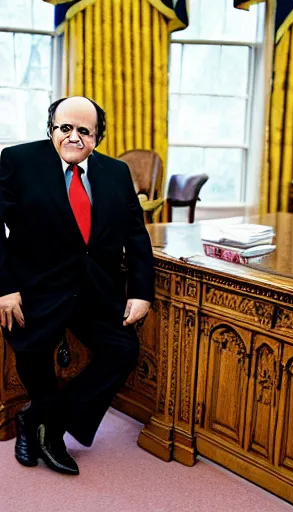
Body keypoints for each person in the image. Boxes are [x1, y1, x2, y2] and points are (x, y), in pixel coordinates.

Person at [0, 96, 155, 476]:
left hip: (95, 289)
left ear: (97, 137)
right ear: (50, 129)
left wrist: (140, 291)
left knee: (122, 351)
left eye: (84, 130)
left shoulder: (116, 173)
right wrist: (4, 287)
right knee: (33, 354)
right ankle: (42, 425)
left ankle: (43, 422)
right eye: (64, 127)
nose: (73, 136)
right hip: (35, 287)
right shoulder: (18, 161)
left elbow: (136, 234)